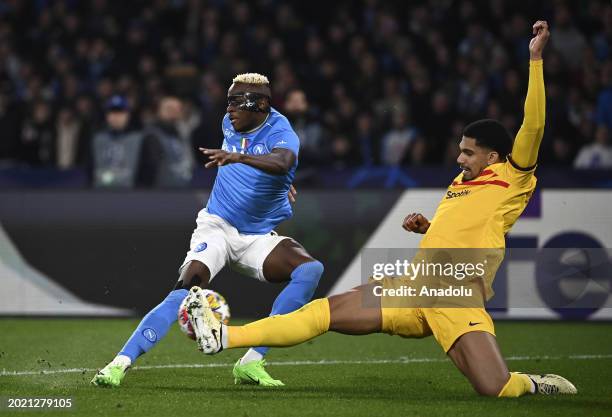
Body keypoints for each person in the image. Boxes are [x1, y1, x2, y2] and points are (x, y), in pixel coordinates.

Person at [186, 22, 577, 397]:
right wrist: (429, 226)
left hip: (455, 291)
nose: (459, 158)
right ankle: (226, 335)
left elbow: (535, 125)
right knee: (323, 313)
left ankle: (533, 383)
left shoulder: (514, 176)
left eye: (468, 152)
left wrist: (535, 60)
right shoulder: (462, 183)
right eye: (460, 150)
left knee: (496, 388)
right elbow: (466, 225)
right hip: (413, 285)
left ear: (494, 156)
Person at [91, 73, 324, 387]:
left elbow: (282, 161)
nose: (229, 109)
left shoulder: (282, 132)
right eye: (228, 101)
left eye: (236, 101)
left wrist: (263, 167)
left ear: (262, 104)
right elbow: (274, 166)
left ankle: (252, 361)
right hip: (217, 226)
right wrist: (279, 178)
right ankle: (118, 364)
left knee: (310, 270)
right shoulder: (232, 122)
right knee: (185, 287)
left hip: (257, 237)